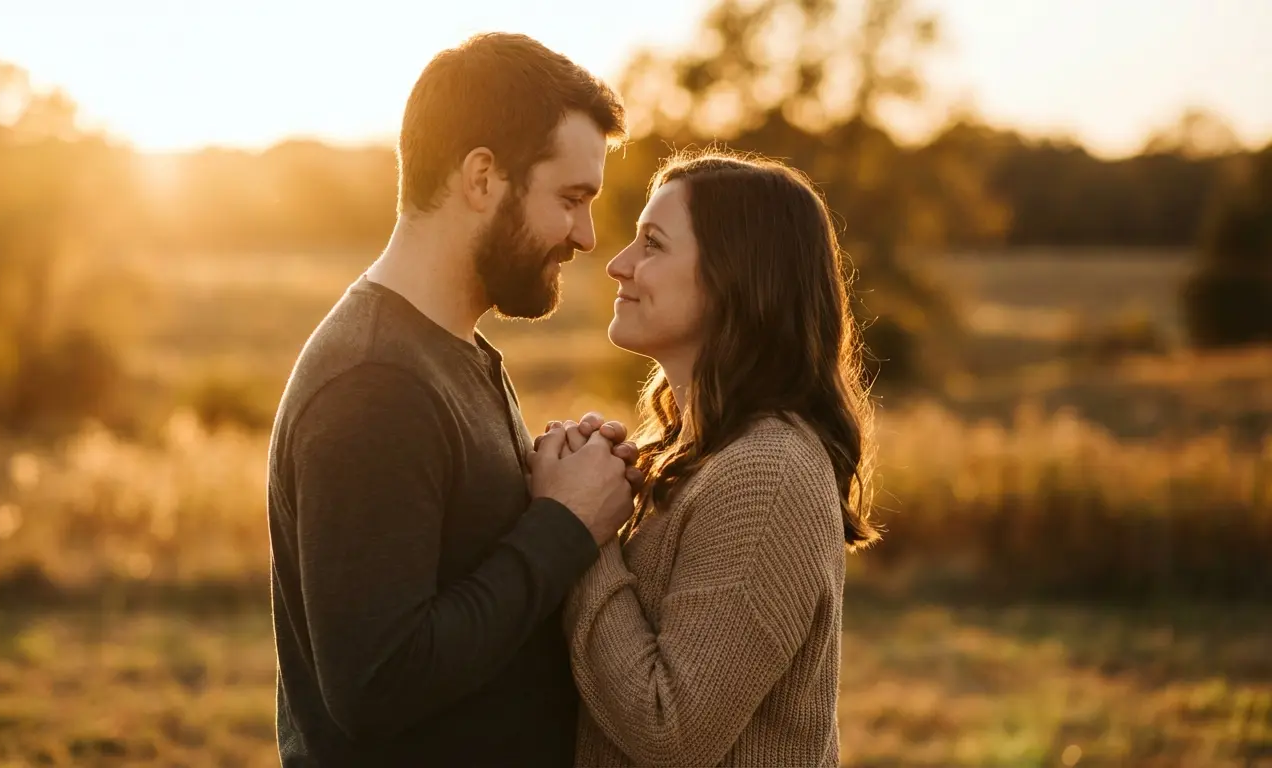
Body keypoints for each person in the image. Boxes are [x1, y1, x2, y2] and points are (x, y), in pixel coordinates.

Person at [264, 33, 642, 766]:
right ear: (481, 179)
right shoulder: (375, 386)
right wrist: (563, 526)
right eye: (571, 198)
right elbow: (379, 683)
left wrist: (550, 492)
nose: (587, 236)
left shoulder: (451, 352)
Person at [540, 151, 882, 767]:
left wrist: (583, 532)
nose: (618, 264)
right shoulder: (691, 454)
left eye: (652, 244)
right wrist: (593, 483)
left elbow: (671, 731)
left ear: (734, 277)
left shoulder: (768, 475)